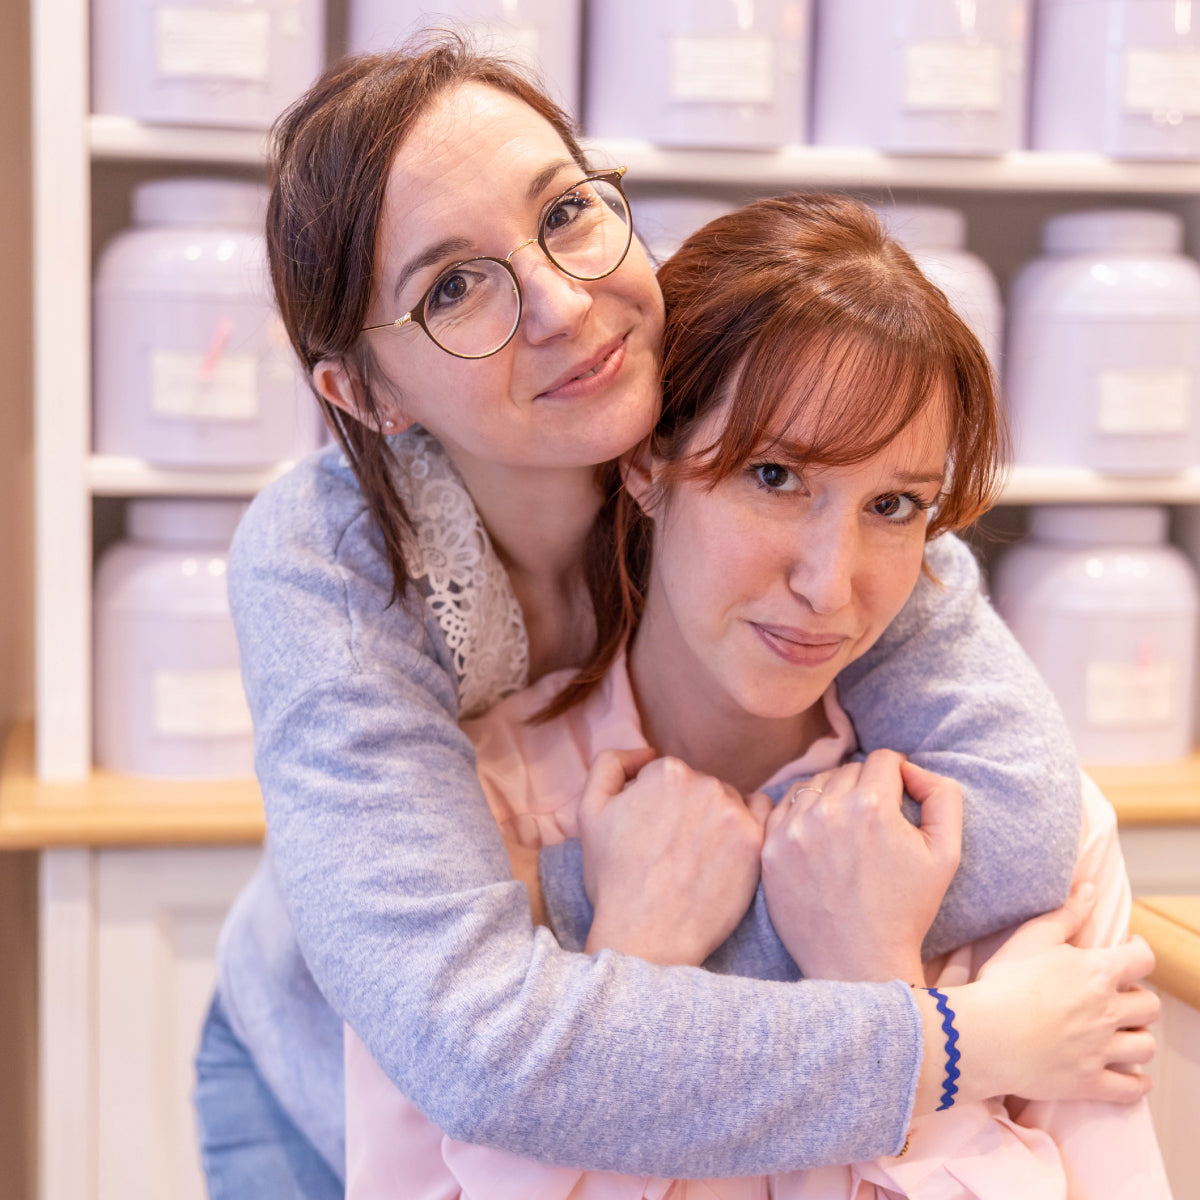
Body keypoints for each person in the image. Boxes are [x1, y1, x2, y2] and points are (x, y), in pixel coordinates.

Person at [193, 34, 1152, 1199]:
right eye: (450, 287)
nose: (564, 306)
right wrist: (958, 1040)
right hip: (329, 1078)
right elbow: (481, 1048)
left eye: (564, 213)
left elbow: (1021, 819)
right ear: (364, 392)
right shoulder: (333, 568)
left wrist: (693, 905)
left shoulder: (721, 408)